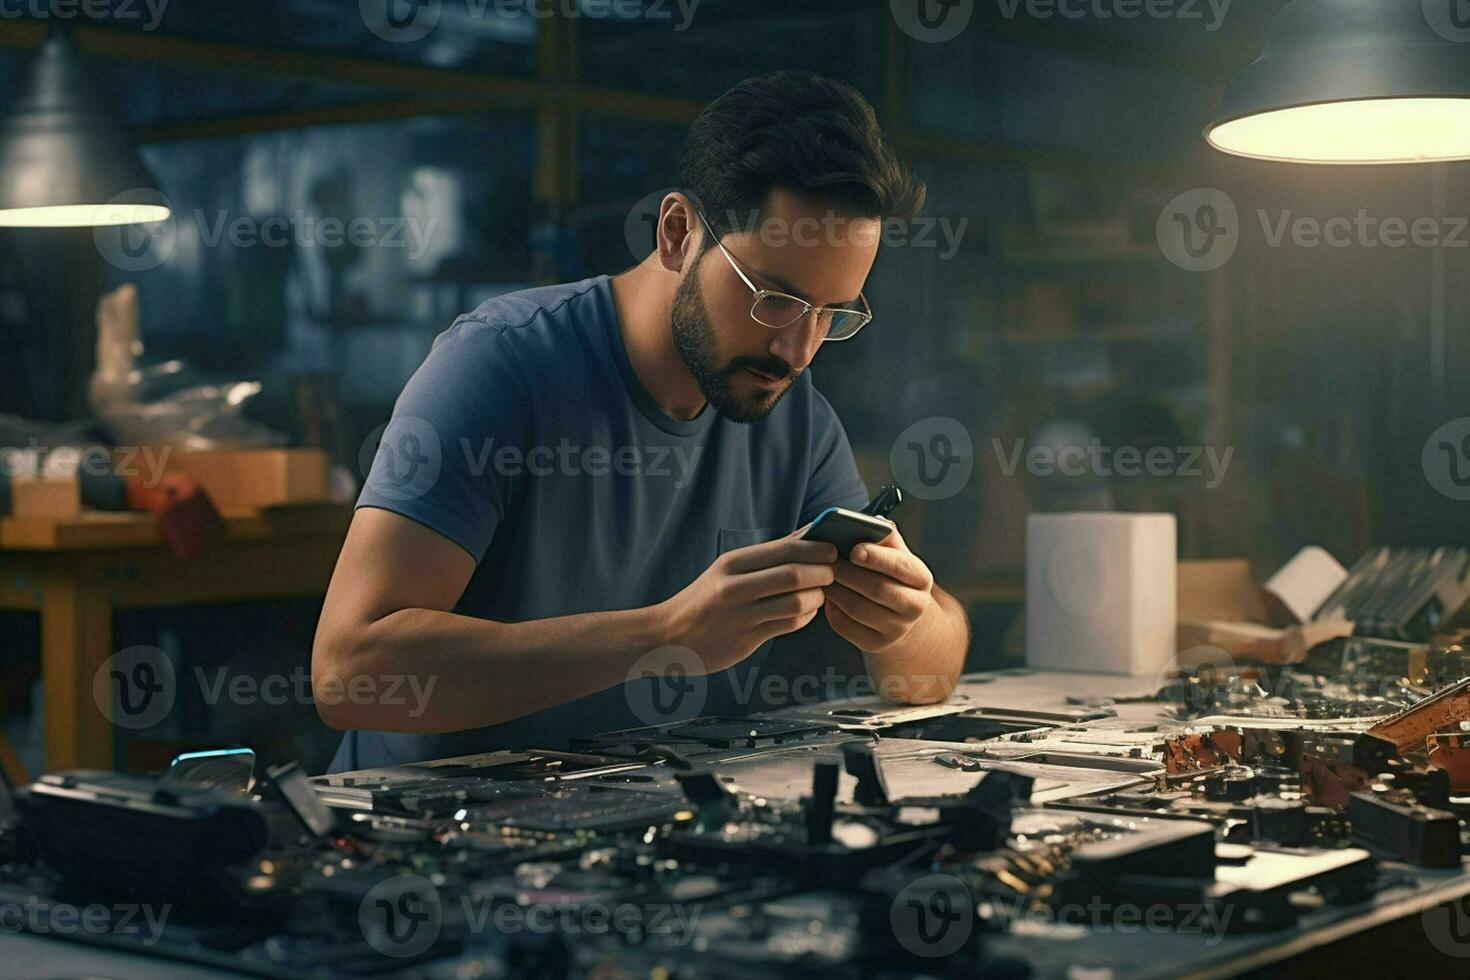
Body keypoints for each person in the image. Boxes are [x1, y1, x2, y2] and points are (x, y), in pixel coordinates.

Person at [314, 70, 969, 771]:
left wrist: (903, 617)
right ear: (678, 233)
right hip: (422, 837)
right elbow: (350, 674)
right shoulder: (500, 368)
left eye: (832, 313)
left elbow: (927, 675)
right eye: (775, 298)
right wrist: (667, 632)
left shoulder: (793, 418)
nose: (797, 350)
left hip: (641, 840)